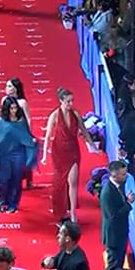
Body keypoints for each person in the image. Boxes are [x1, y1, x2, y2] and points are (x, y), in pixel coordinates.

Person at [0, 97, 36, 214]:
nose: (14, 111)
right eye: (11, 108)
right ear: (6, 109)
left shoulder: (21, 122)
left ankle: (13, 204)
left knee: (16, 179)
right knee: (3, 180)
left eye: (15, 108)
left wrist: (31, 141)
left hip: (18, 154)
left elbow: (25, 136)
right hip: (4, 154)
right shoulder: (1, 122)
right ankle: (2, 201)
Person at [44, 89, 86, 223]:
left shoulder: (76, 114)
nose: (71, 103)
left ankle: (73, 212)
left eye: (72, 101)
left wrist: (93, 146)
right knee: (58, 184)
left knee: (73, 182)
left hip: (73, 151)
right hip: (59, 152)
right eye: (68, 101)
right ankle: (60, 212)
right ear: (61, 101)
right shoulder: (54, 116)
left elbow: (84, 131)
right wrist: (45, 154)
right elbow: (48, 136)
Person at [99, 158, 133, 270]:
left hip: (120, 234)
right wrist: (128, 203)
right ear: (115, 176)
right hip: (113, 237)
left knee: (118, 265)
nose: (126, 177)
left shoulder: (119, 185)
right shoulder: (107, 193)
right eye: (123, 175)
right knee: (112, 268)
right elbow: (113, 216)